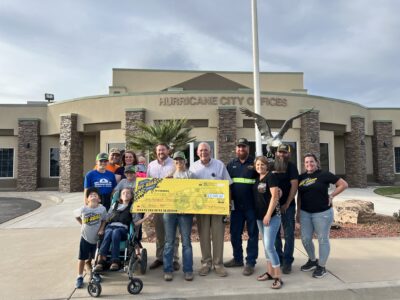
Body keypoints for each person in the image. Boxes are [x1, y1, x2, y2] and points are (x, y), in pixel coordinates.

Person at [297, 153, 348, 278]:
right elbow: (300, 196)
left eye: (311, 161)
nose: (309, 164)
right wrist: (297, 212)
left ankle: (322, 266)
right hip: (305, 213)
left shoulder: (324, 174)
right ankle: (313, 260)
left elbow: (343, 184)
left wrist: (331, 195)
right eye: (307, 162)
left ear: (316, 162)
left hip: (322, 213)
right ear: (304, 164)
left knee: (323, 239)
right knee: (306, 239)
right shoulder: (301, 177)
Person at [189, 142, 232, 277]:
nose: (203, 152)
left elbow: (227, 185)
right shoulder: (193, 167)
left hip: (218, 206)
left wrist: (228, 205)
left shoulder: (219, 165)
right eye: (201, 150)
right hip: (201, 207)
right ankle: (206, 263)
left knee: (218, 235)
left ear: (210, 151)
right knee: (204, 235)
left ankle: (218, 264)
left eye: (206, 150)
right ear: (197, 153)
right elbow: (190, 188)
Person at [94, 188, 152, 272]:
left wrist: (146, 218)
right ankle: (101, 260)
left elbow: (136, 222)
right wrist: (101, 228)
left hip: (122, 229)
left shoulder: (132, 207)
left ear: (131, 196)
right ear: (120, 196)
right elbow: (106, 218)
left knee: (115, 232)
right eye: (123, 193)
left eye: (128, 193)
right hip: (110, 226)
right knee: (108, 232)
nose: (125, 194)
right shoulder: (114, 205)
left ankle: (115, 260)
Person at [224, 138, 258, 276]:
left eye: (243, 147)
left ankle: (250, 262)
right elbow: (226, 185)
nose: (241, 149)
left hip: (252, 207)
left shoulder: (255, 164)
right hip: (236, 207)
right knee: (234, 234)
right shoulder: (231, 164)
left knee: (253, 235)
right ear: (235, 149)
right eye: (238, 147)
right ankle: (237, 259)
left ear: (248, 149)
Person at [146, 143, 180, 271]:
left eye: (163, 150)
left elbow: (182, 180)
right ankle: (160, 258)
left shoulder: (174, 164)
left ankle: (175, 259)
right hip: (157, 203)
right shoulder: (151, 165)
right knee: (160, 232)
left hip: (172, 202)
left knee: (174, 233)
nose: (161, 152)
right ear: (156, 152)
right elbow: (148, 184)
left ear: (168, 151)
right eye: (158, 150)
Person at [163, 151, 195, 281]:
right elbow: (164, 193)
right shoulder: (169, 176)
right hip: (170, 212)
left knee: (186, 242)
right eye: (176, 160)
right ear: (174, 162)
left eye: (181, 160)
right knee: (169, 242)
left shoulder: (191, 175)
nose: (178, 162)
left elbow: (195, 193)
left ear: (185, 161)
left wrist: (187, 207)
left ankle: (188, 270)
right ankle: (168, 270)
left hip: (185, 213)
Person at [253, 156, 283, 289]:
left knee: (270, 246)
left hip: (271, 217)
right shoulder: (257, 178)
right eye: (258, 165)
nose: (260, 167)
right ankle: (270, 272)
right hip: (260, 217)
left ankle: (278, 277)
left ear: (267, 166)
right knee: (266, 247)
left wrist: (268, 215)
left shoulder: (271, 177)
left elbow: (275, 196)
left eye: (263, 165)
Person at [74, 187, 107, 288]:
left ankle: (94, 274)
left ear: (99, 199)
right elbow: (76, 216)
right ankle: (79, 277)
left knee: (95, 258)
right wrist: (82, 224)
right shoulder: (84, 209)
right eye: (90, 195)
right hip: (85, 237)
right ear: (87, 199)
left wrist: (101, 229)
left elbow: (104, 220)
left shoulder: (102, 209)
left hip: (96, 238)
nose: (93, 196)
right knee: (82, 258)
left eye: (95, 195)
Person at [273, 144, 299, 274]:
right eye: (280, 152)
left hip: (287, 207)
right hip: (273, 207)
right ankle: (279, 259)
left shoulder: (292, 166)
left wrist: (287, 203)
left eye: (284, 152)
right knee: (275, 235)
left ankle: (288, 261)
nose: (282, 155)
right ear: (276, 153)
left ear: (288, 154)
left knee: (288, 234)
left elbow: (294, 185)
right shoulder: (272, 165)